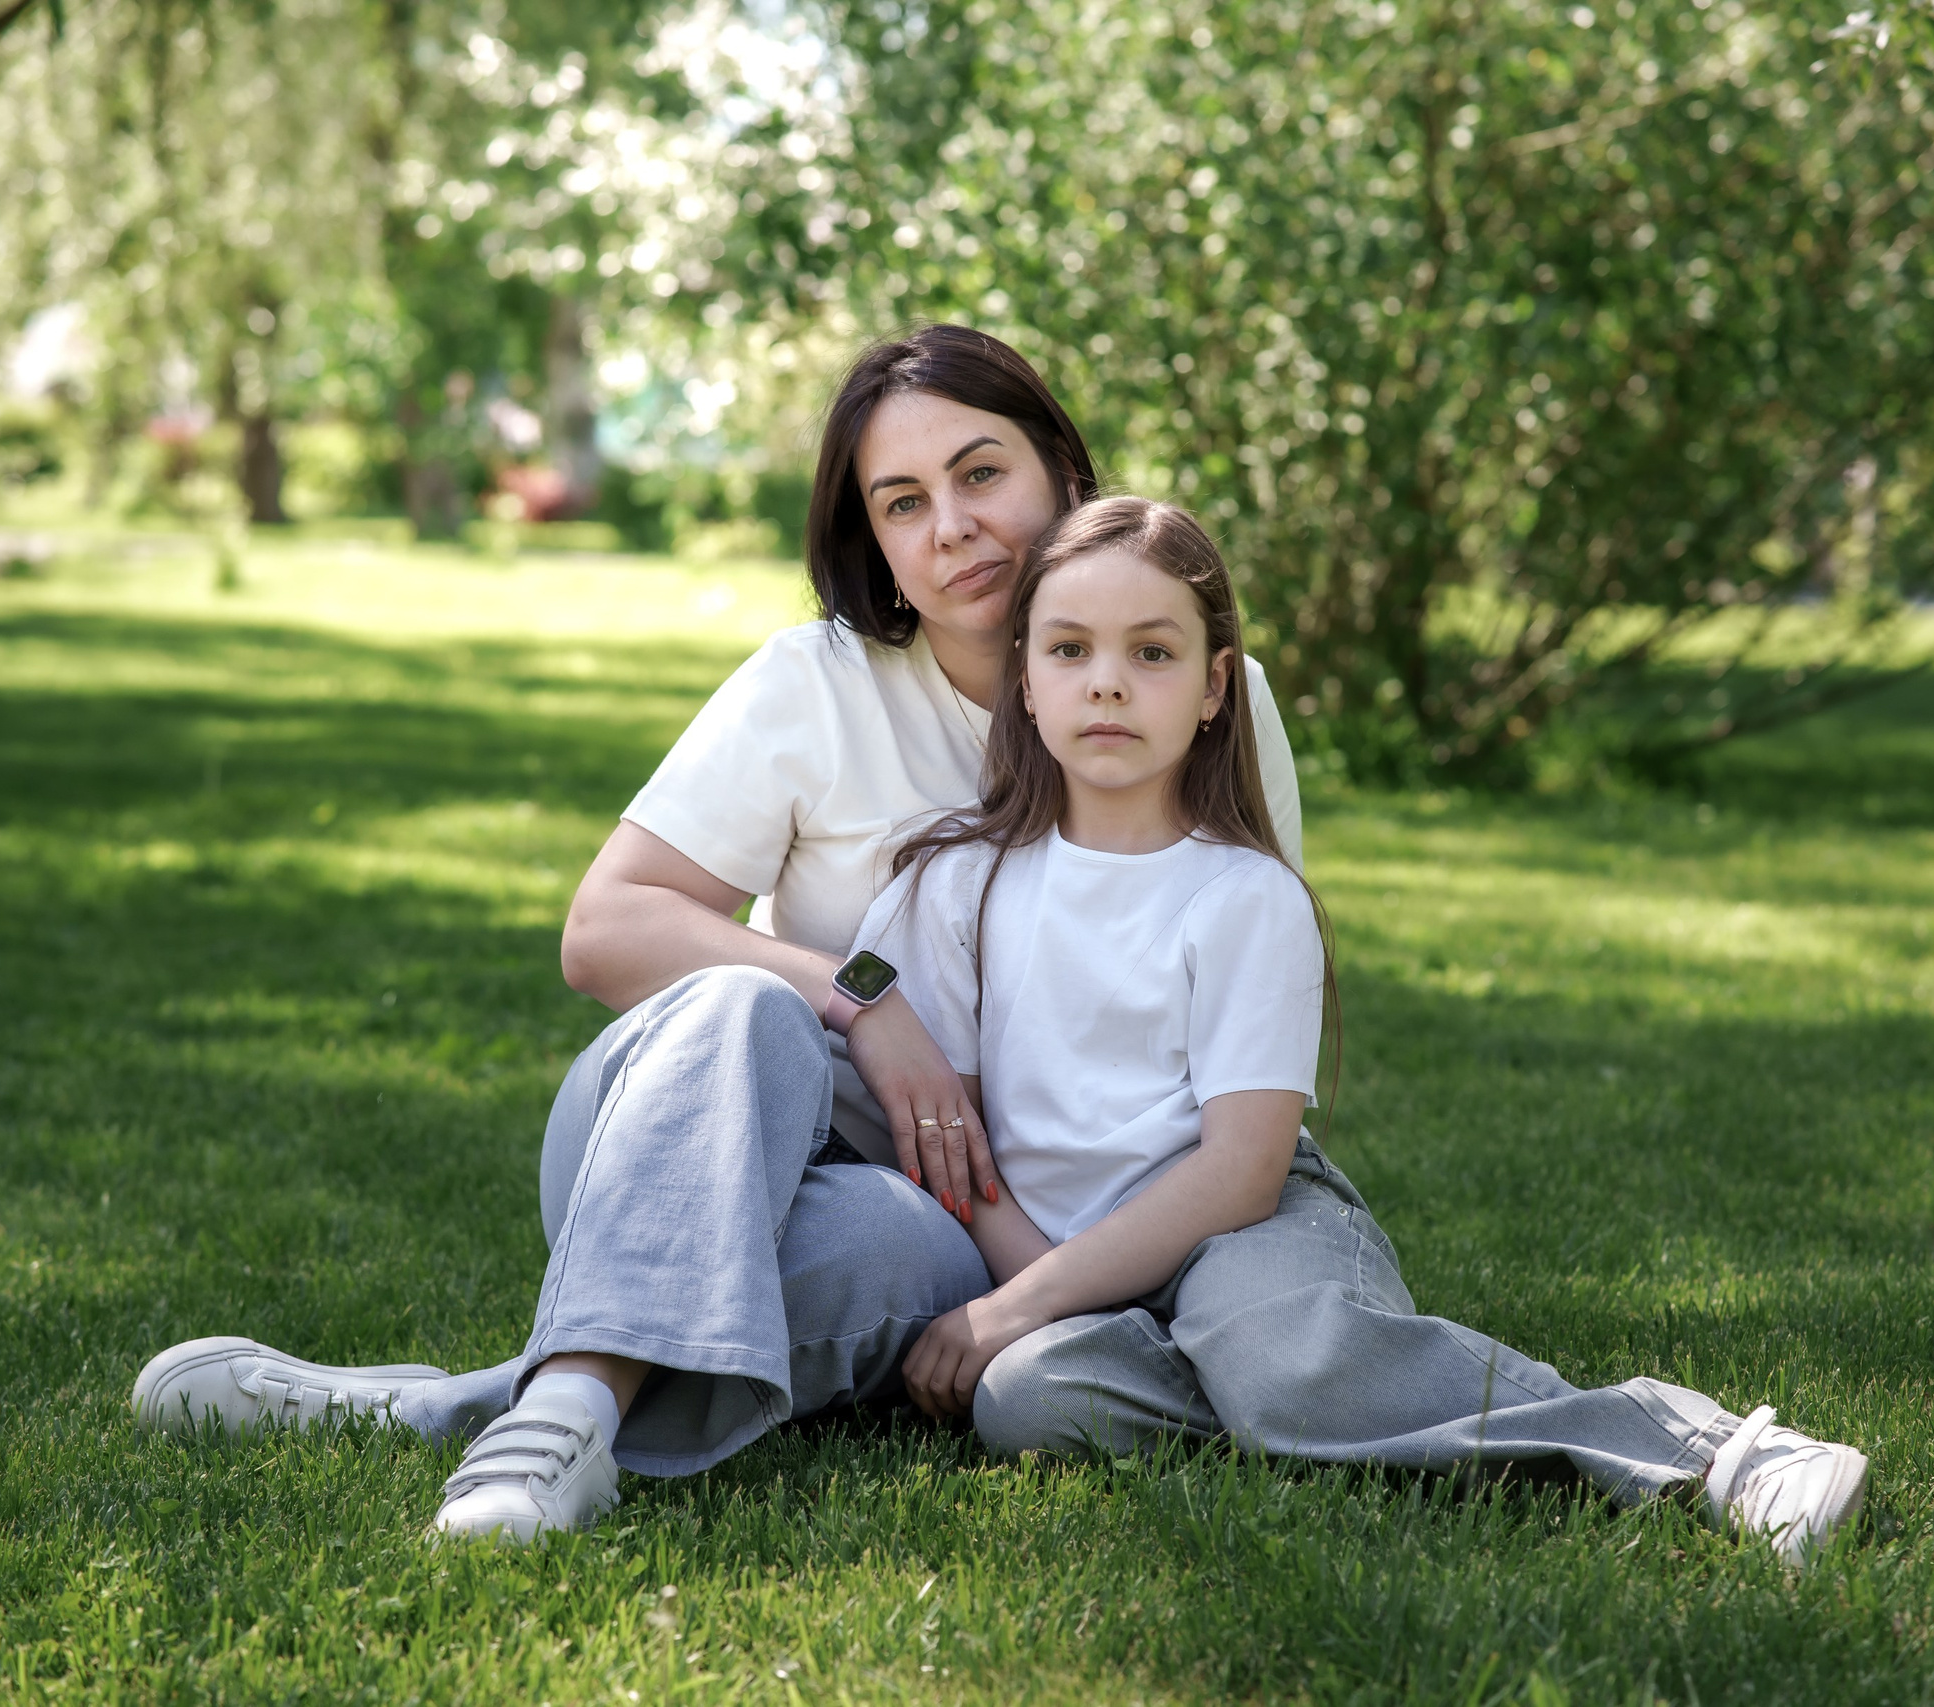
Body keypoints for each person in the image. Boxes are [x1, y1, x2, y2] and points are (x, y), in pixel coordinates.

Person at [128, 325, 1307, 1540]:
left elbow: (1234, 998)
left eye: (980, 472)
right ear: (878, 549)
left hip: (938, 1224)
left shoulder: (1201, 695)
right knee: (752, 1002)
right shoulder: (812, 685)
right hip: (702, 1142)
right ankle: (564, 1399)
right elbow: (604, 929)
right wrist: (861, 999)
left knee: (897, 1247)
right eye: (901, 503)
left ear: (1064, 471)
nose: (950, 524)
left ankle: (494, 1413)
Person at [847, 495, 1870, 1565]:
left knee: (1274, 1355)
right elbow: (953, 1141)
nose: (1105, 680)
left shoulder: (1241, 897)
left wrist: (1016, 1305)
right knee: (1027, 1401)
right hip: (1058, 1259)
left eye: (1151, 652)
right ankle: (1281, 1410)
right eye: (1069, 648)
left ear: (1211, 689)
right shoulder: (958, 885)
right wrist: (1019, 1303)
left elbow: (1238, 1173)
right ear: (1025, 678)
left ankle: (1717, 1455)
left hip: (1247, 1227)